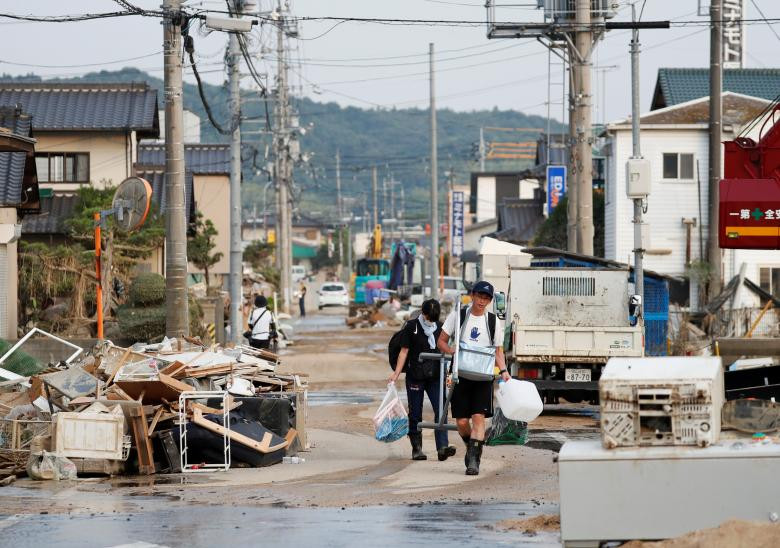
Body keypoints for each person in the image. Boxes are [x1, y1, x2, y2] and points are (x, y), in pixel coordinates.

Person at [437, 281, 511, 476]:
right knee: (461, 421)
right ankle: (471, 448)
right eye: (479, 296)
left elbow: (498, 351)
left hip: (483, 377)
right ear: (472, 295)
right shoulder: (459, 315)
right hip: (459, 376)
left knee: (478, 418)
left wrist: (503, 370)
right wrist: (453, 351)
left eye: (486, 298)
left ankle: (473, 460)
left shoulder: (494, 321)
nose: (482, 301)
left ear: (489, 300)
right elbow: (441, 341)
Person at [388, 299, 457, 462]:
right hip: (415, 376)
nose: (430, 321)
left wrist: (449, 373)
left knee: (441, 409)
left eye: (433, 318)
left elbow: (446, 349)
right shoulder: (411, 327)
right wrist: (396, 373)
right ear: (423, 313)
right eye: (428, 317)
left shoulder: (440, 328)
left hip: (435, 376)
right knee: (415, 413)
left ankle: (442, 448)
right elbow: (404, 352)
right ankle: (417, 448)